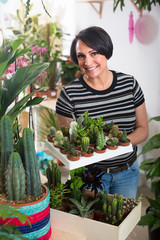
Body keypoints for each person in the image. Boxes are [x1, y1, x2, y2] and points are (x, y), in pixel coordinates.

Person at [56, 26, 148, 199]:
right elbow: (69, 143)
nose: (88, 62)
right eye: (81, 56)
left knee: (121, 220)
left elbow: (143, 129)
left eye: (94, 53)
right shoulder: (69, 94)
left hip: (128, 171)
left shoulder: (129, 84)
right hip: (91, 176)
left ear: (106, 51)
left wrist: (118, 144)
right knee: (93, 224)